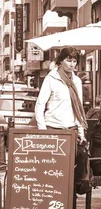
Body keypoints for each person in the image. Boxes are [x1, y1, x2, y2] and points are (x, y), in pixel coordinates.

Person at [35, 47, 88, 198]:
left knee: (71, 167)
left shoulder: (76, 81)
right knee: (56, 169)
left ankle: (69, 199)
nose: (72, 64)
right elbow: (40, 105)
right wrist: (43, 131)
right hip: (54, 129)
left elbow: (78, 106)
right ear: (61, 61)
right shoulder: (51, 79)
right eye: (69, 60)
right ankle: (57, 202)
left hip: (71, 130)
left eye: (74, 61)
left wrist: (81, 131)